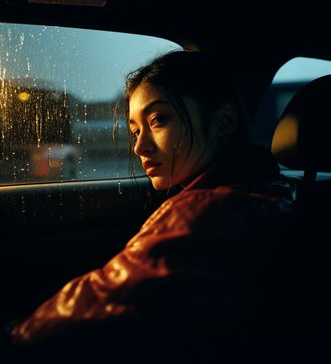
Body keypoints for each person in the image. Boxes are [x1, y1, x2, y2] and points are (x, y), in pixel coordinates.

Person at [6, 50, 295, 360]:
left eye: (158, 120)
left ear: (223, 121)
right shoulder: (271, 190)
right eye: (135, 130)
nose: (140, 147)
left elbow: (85, 313)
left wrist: (13, 339)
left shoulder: (203, 213)